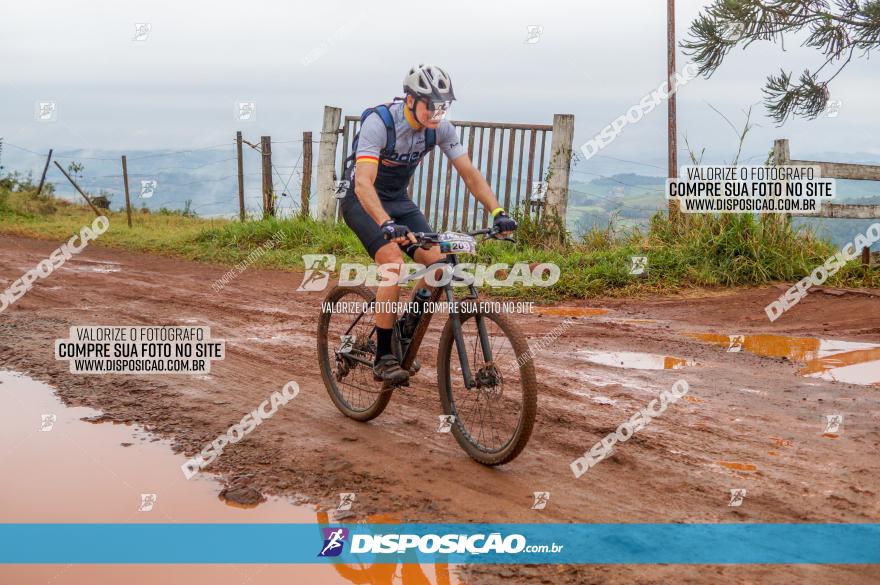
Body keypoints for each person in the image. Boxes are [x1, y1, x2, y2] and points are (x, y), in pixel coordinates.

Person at [340, 64, 517, 385]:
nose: (437, 113)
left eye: (443, 106)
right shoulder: (380, 123)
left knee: (439, 264)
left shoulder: (440, 129)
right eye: (431, 105)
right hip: (362, 201)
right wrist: (385, 223)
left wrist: (498, 212)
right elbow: (363, 184)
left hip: (398, 201)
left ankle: (405, 327)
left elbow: (470, 174)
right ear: (410, 101)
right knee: (393, 262)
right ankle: (383, 355)